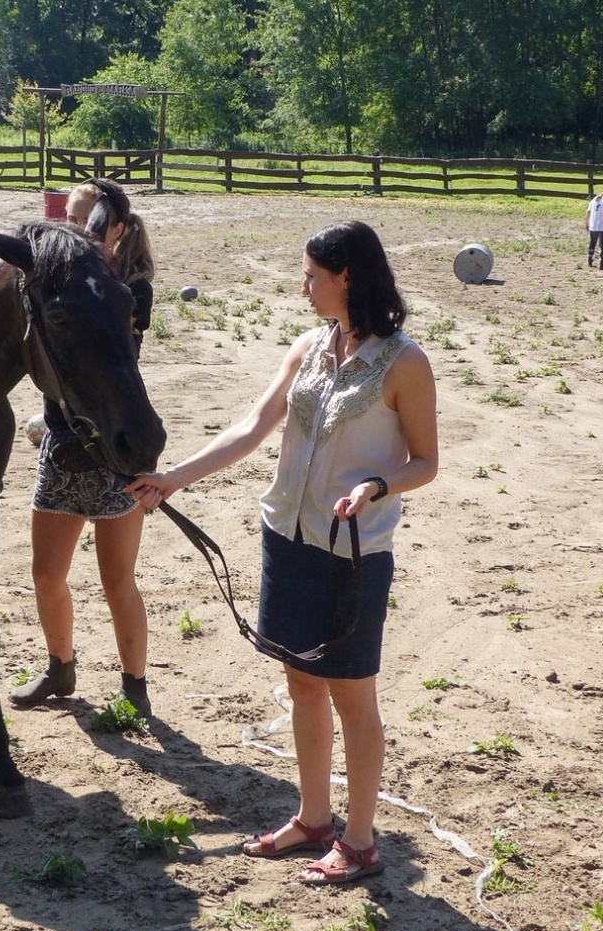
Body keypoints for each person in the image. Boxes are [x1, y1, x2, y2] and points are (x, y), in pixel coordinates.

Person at [127, 221, 438, 886]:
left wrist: (377, 484)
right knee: (301, 683)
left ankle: (359, 844)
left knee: (354, 697)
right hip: (288, 541)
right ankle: (314, 818)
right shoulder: (308, 348)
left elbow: (427, 460)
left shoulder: (405, 362)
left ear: (346, 277)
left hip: (353, 552)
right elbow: (253, 425)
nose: (303, 287)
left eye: (311, 277)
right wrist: (173, 477)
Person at [9, 178, 158, 717]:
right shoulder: (59, 279)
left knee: (118, 579)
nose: (71, 229)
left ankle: (135, 686)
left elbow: (106, 370)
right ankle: (60, 667)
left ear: (114, 229)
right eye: (65, 217)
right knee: (47, 575)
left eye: (84, 219)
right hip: (61, 447)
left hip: (112, 454)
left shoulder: (129, 290)